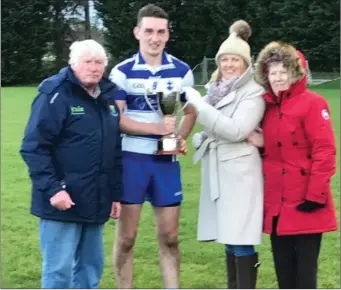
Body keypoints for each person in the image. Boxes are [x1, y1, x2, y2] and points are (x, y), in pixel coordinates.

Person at [20, 39, 122, 289]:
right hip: (62, 201)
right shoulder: (55, 94)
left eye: (99, 62)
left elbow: (114, 152)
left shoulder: (107, 98)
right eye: (88, 61)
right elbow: (34, 147)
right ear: (73, 64)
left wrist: (115, 194)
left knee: (90, 269)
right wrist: (54, 189)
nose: (94, 67)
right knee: (59, 272)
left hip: (96, 199)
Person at [108, 4, 196, 289]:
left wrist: (178, 137)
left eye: (160, 31)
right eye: (148, 31)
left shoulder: (181, 70)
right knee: (127, 238)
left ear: (168, 34)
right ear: (137, 32)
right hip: (131, 161)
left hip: (165, 165)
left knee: (170, 237)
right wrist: (156, 129)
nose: (154, 38)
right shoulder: (122, 72)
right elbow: (118, 120)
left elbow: (192, 110)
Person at [248, 41, 338, 289]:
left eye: (282, 71)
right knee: (284, 272)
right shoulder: (267, 107)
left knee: (305, 275)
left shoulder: (312, 103)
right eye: (272, 72)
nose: (277, 78)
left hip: (306, 202)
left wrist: (316, 195)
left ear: (295, 72)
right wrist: (262, 144)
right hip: (278, 206)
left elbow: (325, 150)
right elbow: (282, 149)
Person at [183, 20, 265, 289]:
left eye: (235, 59)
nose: (228, 65)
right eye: (224, 59)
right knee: (230, 241)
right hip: (221, 171)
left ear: (246, 64)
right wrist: (201, 137)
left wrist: (198, 105)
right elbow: (214, 127)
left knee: (241, 240)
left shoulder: (253, 93)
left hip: (241, 175)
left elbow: (236, 130)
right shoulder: (216, 90)